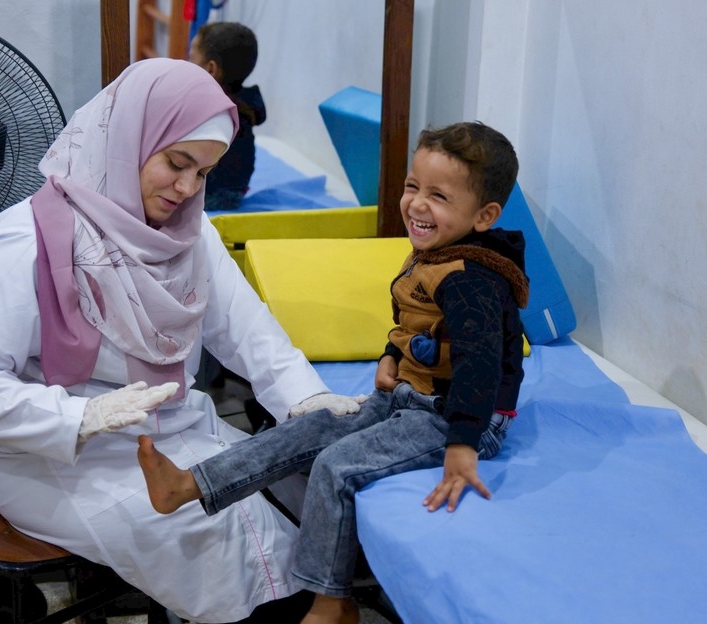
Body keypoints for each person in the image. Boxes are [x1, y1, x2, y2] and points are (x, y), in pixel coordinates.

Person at [0, 58, 365, 624]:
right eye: (177, 163)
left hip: (175, 431)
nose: (187, 188)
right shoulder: (29, 240)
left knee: (300, 499)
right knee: (221, 541)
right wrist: (81, 416)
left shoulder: (189, 233)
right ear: (129, 139)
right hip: (58, 462)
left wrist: (307, 401)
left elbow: (250, 331)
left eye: (203, 173)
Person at [139, 121, 530, 624]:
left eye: (438, 196)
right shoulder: (436, 253)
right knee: (310, 427)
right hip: (412, 395)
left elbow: (480, 367)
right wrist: (391, 359)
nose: (416, 204)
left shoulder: (471, 281)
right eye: (413, 186)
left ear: (484, 216)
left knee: (336, 465)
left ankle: (331, 603)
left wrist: (462, 445)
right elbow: (415, 324)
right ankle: (191, 485)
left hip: (455, 416)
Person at [188, 21, 265, 211]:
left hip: (210, 195)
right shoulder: (248, 101)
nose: (187, 64)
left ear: (210, 69)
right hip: (237, 192)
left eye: (191, 59)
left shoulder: (207, 107)